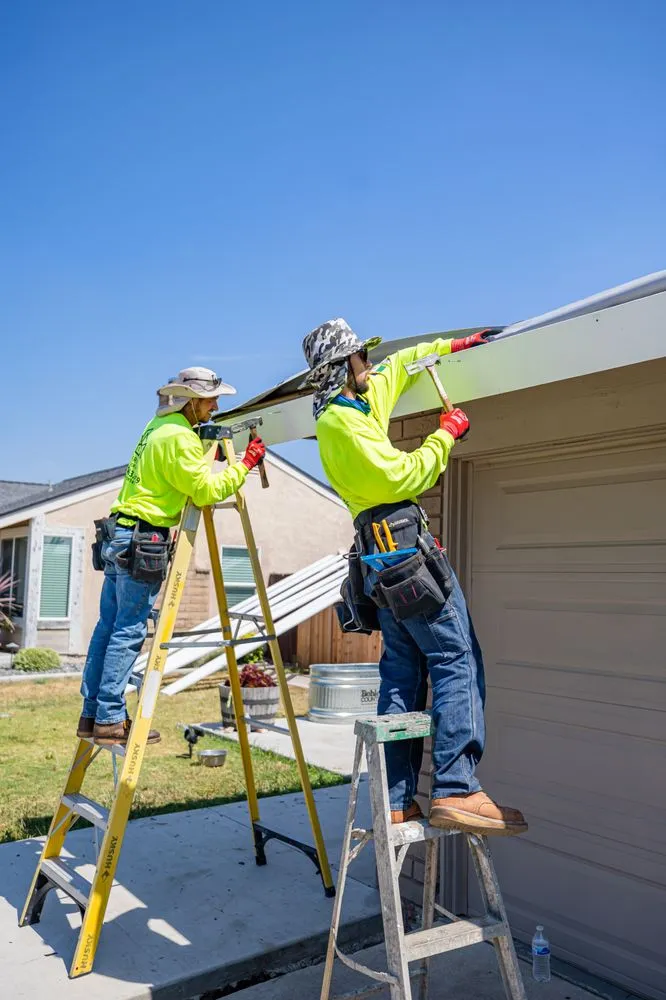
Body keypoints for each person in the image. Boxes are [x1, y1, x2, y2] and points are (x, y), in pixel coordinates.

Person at [301, 320, 527, 836]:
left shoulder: (353, 401)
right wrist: (444, 436)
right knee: (455, 655)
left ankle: (399, 800)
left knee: (403, 672)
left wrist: (452, 346)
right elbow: (404, 476)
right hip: (400, 545)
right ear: (343, 367)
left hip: (381, 555)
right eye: (361, 357)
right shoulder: (341, 424)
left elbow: (399, 365)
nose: (370, 364)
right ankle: (457, 787)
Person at [78, 367, 266, 747]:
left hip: (119, 533)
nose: (215, 407)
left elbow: (177, 475)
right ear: (190, 401)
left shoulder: (156, 429)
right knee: (128, 632)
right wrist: (244, 464)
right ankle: (111, 719)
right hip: (142, 538)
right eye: (211, 400)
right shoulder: (180, 439)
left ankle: (92, 713)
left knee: (108, 627)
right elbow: (205, 491)